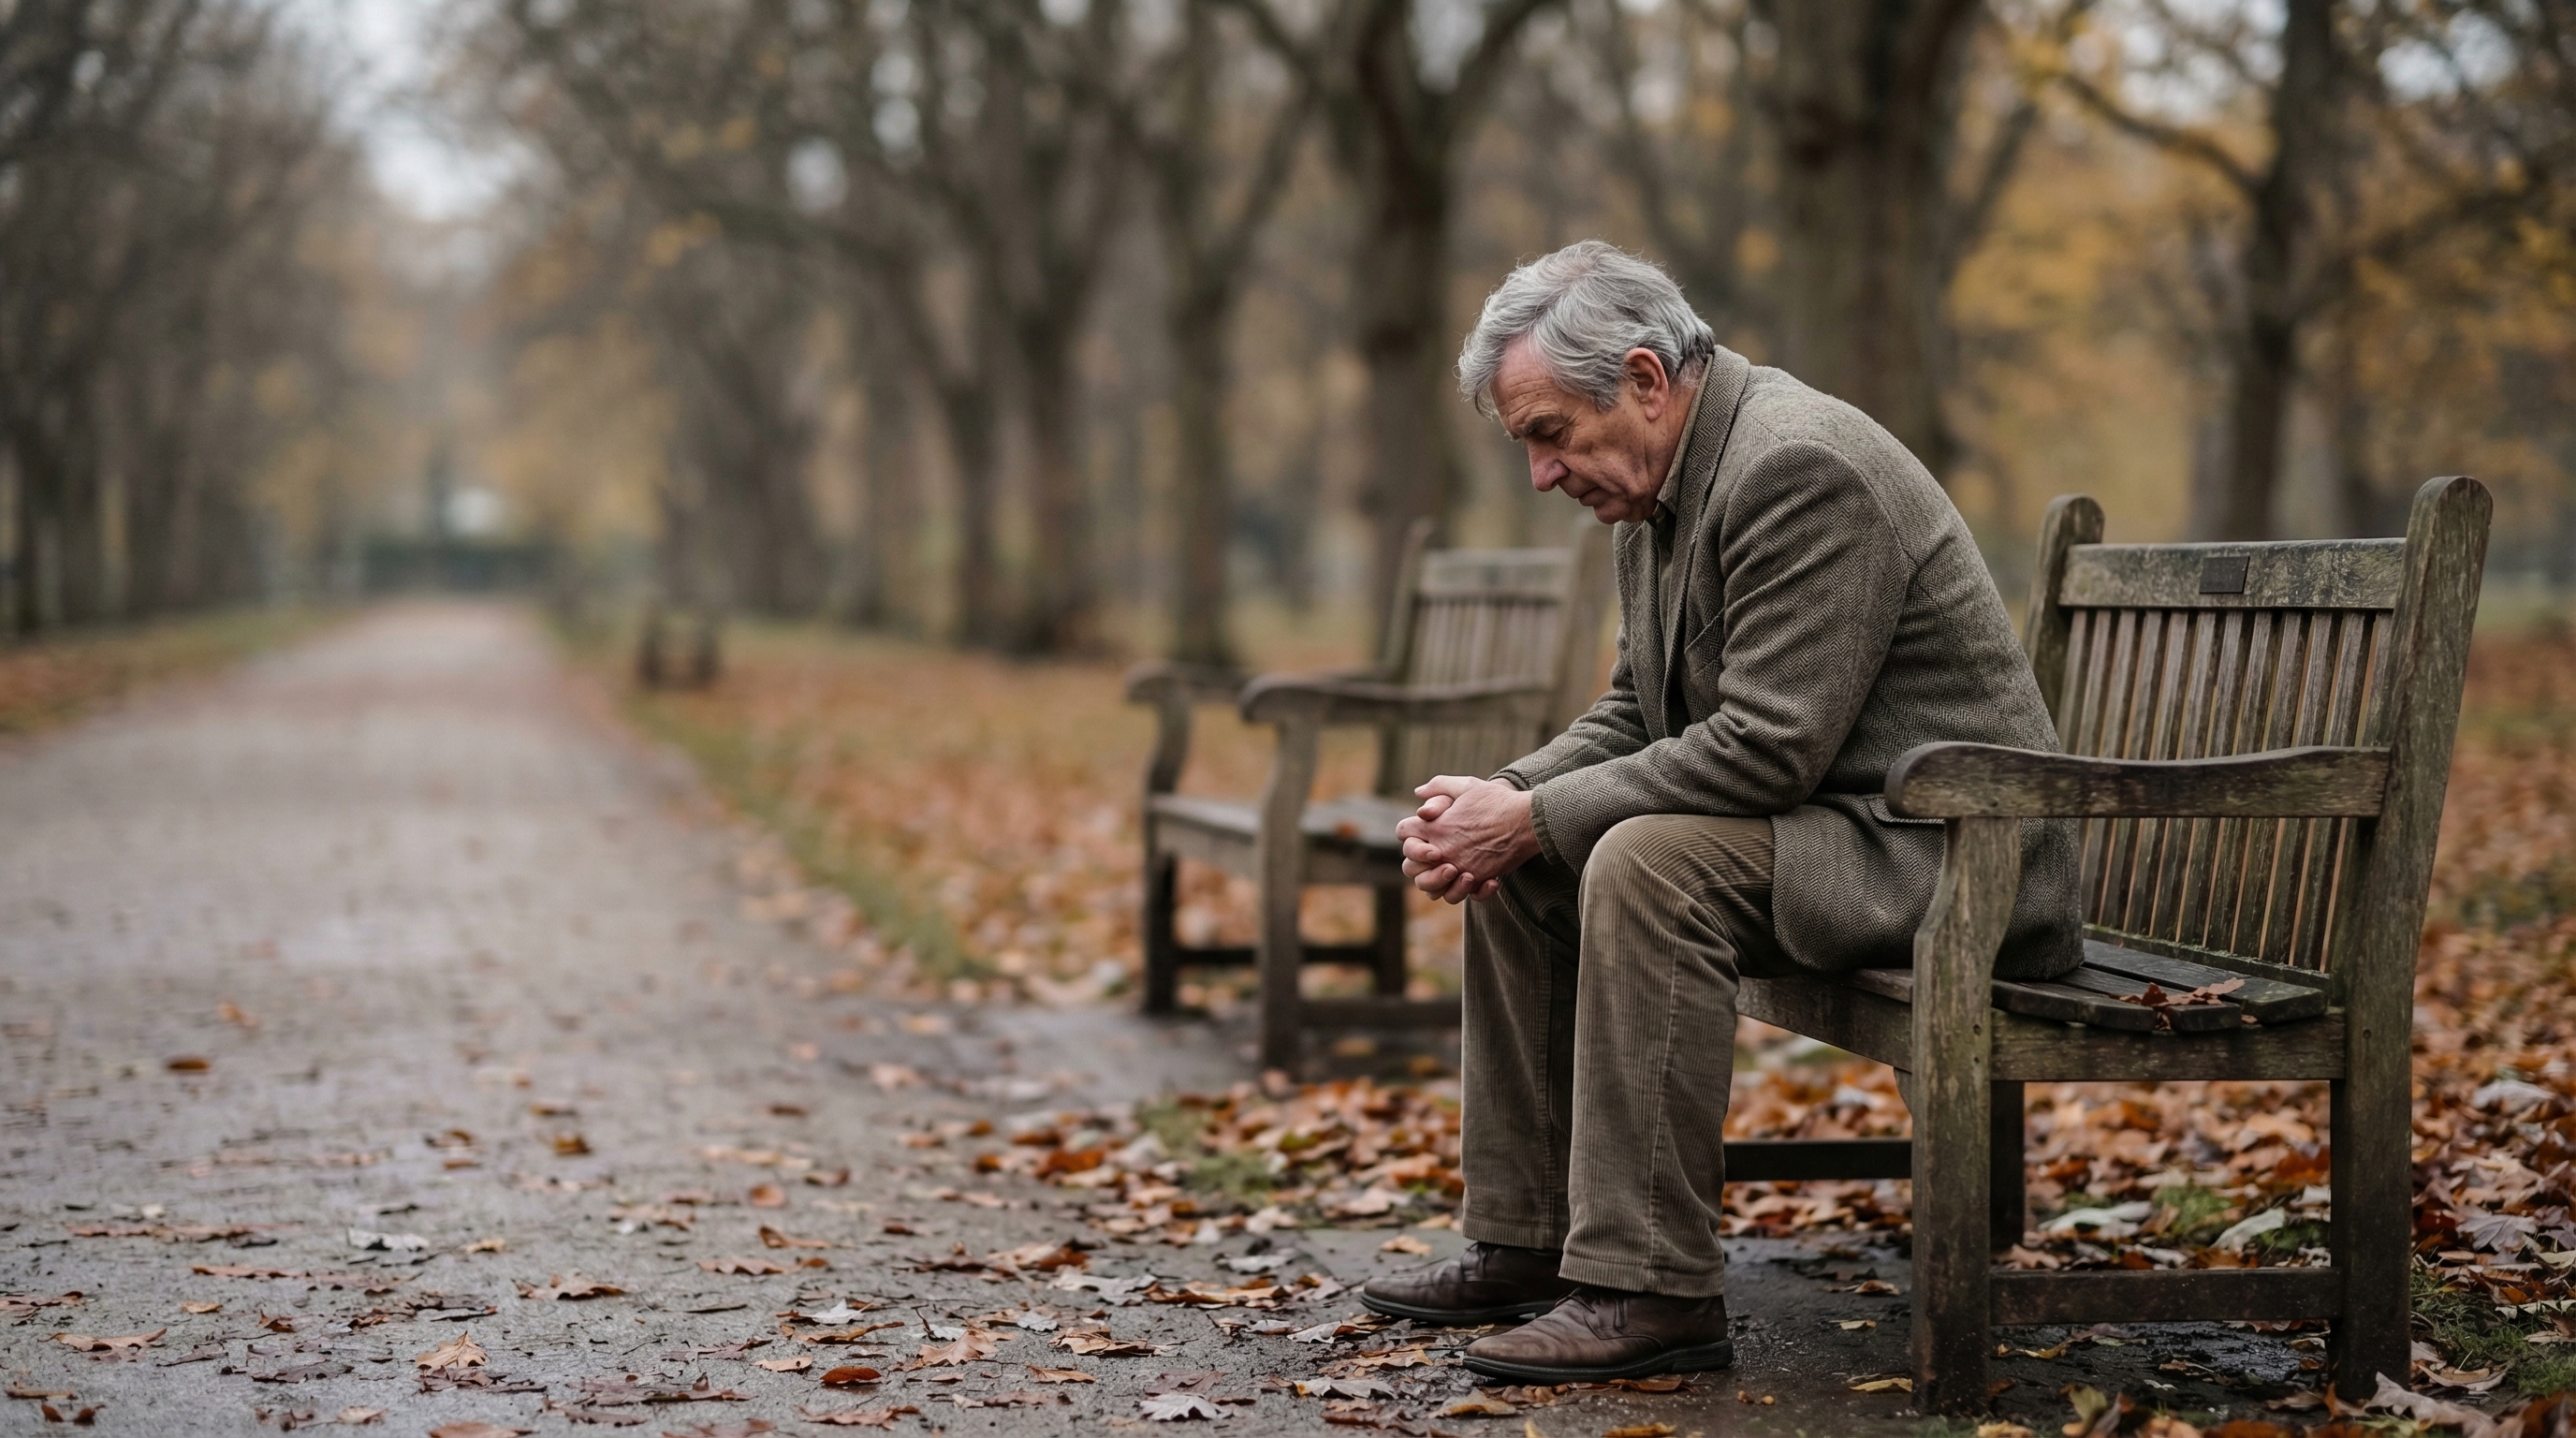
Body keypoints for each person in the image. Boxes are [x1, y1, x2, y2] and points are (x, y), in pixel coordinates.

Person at [1358, 242, 2083, 1384]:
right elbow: (1634, 714)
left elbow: (1766, 748)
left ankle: (1650, 1294)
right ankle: (1527, 1236)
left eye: (1549, 433)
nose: (1542, 475)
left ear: (1645, 380)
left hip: (1953, 852)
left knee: (1646, 863)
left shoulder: (1798, 468)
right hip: (1837, 830)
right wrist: (1506, 801)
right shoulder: (1659, 493)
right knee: (1535, 859)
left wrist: (1535, 815)